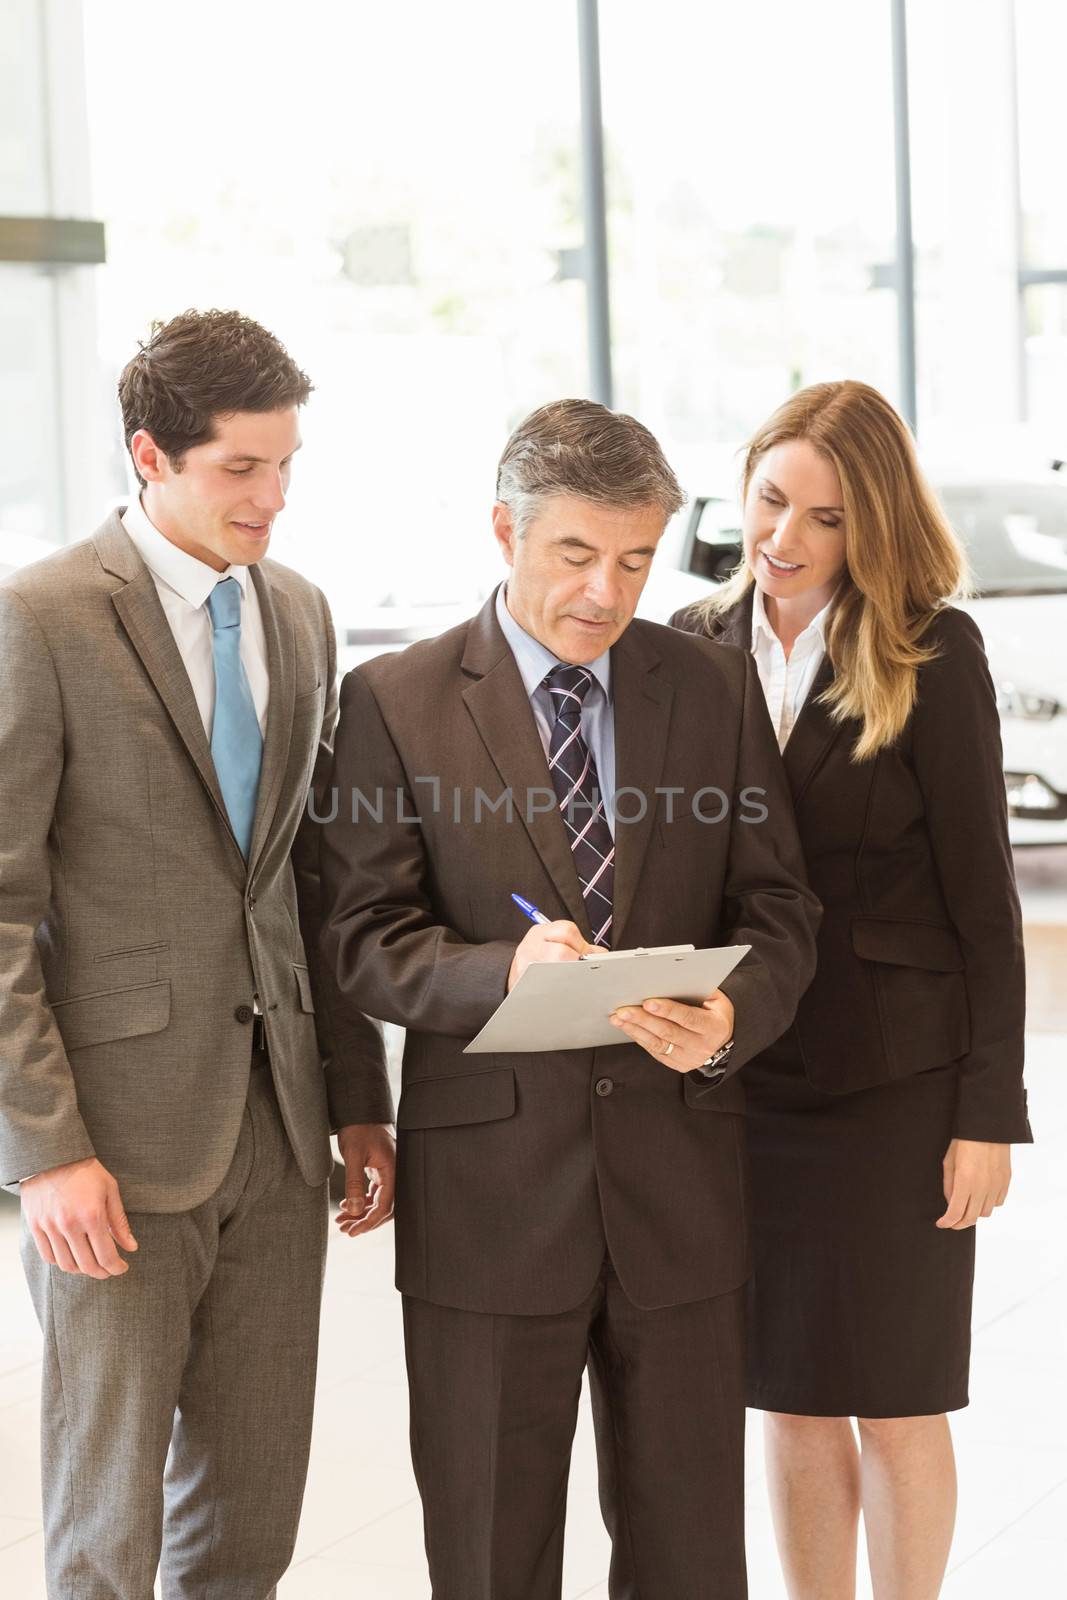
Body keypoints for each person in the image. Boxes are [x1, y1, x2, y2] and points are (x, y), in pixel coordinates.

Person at [319, 398, 821, 1600]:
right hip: (490, 1206)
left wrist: (731, 1018)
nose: (607, 591)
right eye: (576, 554)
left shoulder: (707, 687)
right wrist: (503, 973)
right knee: (491, 1557)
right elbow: (360, 936)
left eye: (637, 559)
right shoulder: (394, 698)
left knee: (692, 1558)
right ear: (505, 529)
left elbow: (780, 913)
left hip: (681, 1195)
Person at [0, 309, 396, 1600]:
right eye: (240, 468)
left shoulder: (302, 616)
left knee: (247, 1525)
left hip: (280, 1142)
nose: (272, 499)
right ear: (149, 456)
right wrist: (47, 1153)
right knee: (108, 1533)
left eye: (285, 466)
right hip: (112, 1150)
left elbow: (308, 880)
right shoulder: (43, 616)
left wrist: (355, 1101)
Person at [672, 379, 1031, 1600]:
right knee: (786, 1390)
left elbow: (984, 900)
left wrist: (987, 1110)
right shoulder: (689, 644)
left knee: (892, 1392)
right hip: (741, 1075)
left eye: (822, 518)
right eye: (771, 500)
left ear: (868, 524)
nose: (784, 538)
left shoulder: (932, 650)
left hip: (894, 1086)